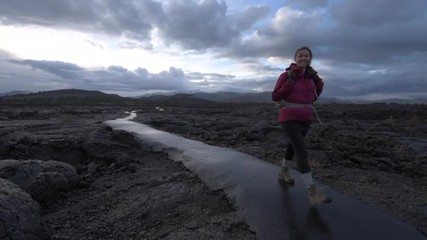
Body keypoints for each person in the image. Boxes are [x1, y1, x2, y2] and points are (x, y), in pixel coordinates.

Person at [272, 46, 331, 205]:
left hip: (306, 118)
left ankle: (283, 171)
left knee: (292, 146)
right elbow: (275, 96)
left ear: (310, 59)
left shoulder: (311, 78)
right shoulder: (286, 75)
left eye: (306, 56)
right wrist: (290, 82)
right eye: (300, 56)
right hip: (288, 116)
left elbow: (314, 96)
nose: (303, 58)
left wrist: (318, 81)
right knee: (301, 151)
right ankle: (312, 192)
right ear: (295, 58)